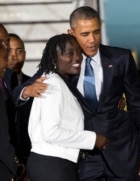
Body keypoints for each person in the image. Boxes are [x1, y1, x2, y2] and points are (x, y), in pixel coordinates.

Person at [12, 6, 140, 181]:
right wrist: (25, 92)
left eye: (96, 32)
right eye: (85, 34)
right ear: (71, 33)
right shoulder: (62, 63)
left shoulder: (121, 59)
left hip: (122, 153)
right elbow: (20, 90)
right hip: (83, 159)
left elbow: (139, 106)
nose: (92, 40)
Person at [26, 33, 108, 181]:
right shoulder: (54, 84)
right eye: (70, 53)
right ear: (54, 59)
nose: (77, 58)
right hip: (53, 165)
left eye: (78, 52)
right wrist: (92, 139)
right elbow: (51, 132)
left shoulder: (58, 82)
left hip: (54, 163)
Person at [0, 24, 24, 181]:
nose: (6, 47)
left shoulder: (9, 76)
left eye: (6, 41)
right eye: (1, 42)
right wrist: (18, 168)